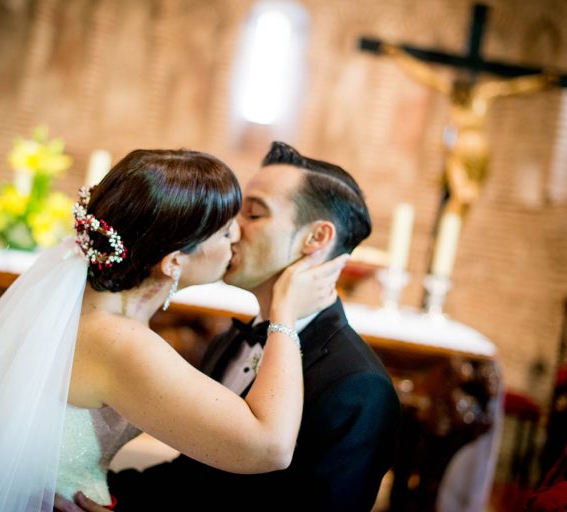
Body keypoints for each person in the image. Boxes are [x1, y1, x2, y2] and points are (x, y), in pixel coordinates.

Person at [0, 149, 347, 512]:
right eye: (224, 232)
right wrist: (286, 311)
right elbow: (268, 447)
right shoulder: (120, 343)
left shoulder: (89, 313)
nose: (238, 235)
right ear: (174, 261)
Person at [61, 141, 402, 512]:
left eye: (253, 215)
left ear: (316, 239)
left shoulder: (358, 387)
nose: (233, 231)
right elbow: (193, 479)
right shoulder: (226, 342)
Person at [381, 43, 557, 218]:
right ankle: (449, 226)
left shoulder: (485, 93)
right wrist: (399, 56)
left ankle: (453, 225)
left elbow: (514, 88)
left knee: (467, 196)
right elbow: (425, 75)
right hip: (457, 153)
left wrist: (539, 82)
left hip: (476, 153)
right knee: (459, 195)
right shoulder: (451, 90)